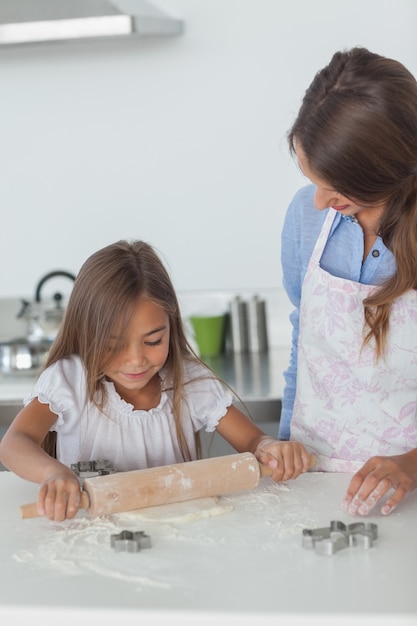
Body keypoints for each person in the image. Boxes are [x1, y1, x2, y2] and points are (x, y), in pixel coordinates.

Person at [0, 240, 311, 522]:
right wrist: (54, 473)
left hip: (179, 536)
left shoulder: (189, 382)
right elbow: (14, 443)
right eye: (114, 344)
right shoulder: (71, 381)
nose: (135, 360)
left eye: (152, 341)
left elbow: (254, 443)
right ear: (87, 333)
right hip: (90, 538)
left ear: (171, 326)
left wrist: (271, 447)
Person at [280, 46, 417, 517]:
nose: (318, 202)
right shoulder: (304, 217)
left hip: (406, 495)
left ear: (385, 169)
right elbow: (306, 349)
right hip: (310, 481)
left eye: (336, 187)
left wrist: (411, 465)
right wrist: (279, 449)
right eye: (312, 178)